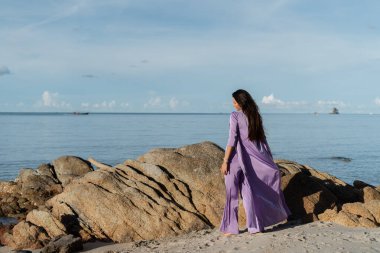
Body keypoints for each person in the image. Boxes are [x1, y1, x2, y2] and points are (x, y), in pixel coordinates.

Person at [219, 89, 292, 236]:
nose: (233, 104)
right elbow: (262, 141)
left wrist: (225, 160)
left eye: (235, 102)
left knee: (232, 193)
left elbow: (231, 140)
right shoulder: (255, 116)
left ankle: (230, 228)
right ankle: (255, 227)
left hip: (234, 160)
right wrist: (269, 160)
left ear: (241, 102)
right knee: (249, 194)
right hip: (250, 161)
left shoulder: (235, 116)